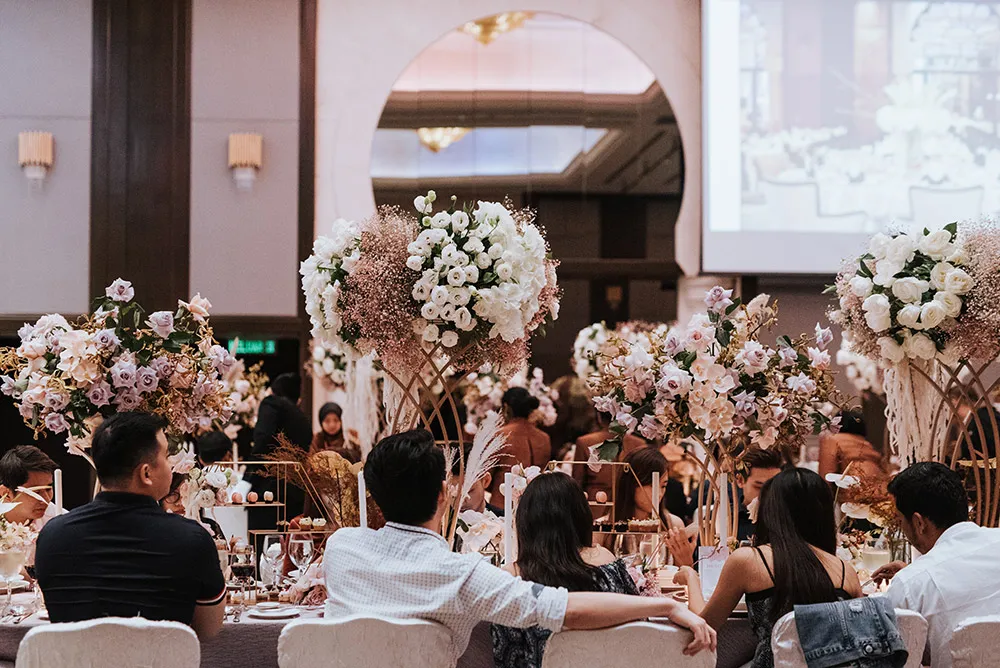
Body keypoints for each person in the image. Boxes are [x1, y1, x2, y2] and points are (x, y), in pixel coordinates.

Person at [323, 430, 716, 665]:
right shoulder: (464, 573)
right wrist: (666, 604)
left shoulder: (341, 547)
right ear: (445, 494)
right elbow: (568, 609)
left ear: (374, 498)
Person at [35, 412, 226, 639]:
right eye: (167, 456)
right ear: (146, 473)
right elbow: (207, 630)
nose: (171, 466)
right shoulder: (192, 539)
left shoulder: (52, 535)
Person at [675, 468, 862, 668]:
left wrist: (690, 575)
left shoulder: (749, 560)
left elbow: (704, 625)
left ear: (769, 509)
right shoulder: (844, 571)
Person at [491, 473, 639, 668]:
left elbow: (505, 656)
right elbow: (637, 629)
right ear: (581, 516)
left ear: (526, 522)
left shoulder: (513, 578)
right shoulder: (605, 562)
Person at [872, 462, 1000, 668]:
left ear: (919, 523)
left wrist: (913, 577)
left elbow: (899, 660)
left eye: (900, 520)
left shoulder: (910, 585)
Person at [250, 373, 312, 526]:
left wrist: (249, 476)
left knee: (263, 540)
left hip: (270, 487)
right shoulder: (301, 417)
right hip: (296, 488)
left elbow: (262, 438)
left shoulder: (272, 404)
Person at [571, 411, 647, 514]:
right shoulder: (639, 444)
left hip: (595, 506)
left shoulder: (584, 442)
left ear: (599, 418)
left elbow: (577, 483)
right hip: (629, 505)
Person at [487, 388, 551, 508]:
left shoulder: (500, 435)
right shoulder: (544, 438)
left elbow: (486, 478)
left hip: (502, 504)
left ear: (506, 407)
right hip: (535, 505)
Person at [0, 445, 58, 529]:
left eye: (48, 489)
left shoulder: (60, 522)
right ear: (6, 493)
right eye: (36, 492)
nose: (46, 499)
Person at [818, 410, 885, 481]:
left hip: (852, 487)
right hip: (878, 485)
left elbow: (826, 474)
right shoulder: (867, 444)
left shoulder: (832, 440)